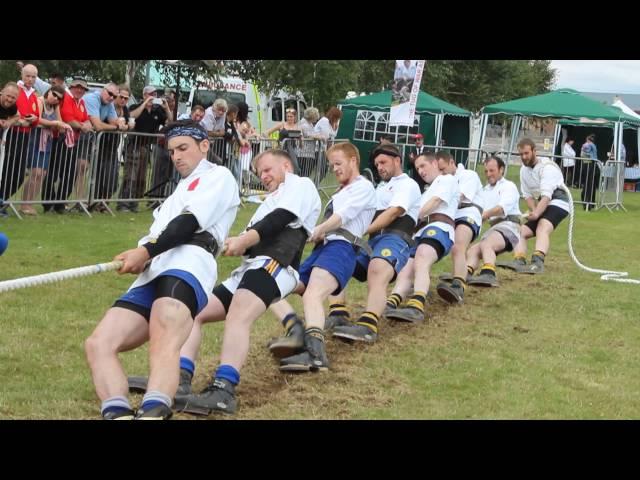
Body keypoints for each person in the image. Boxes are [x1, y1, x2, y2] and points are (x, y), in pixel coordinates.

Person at [85, 120, 240, 420]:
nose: (177, 156)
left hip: (189, 261)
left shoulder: (218, 176)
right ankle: (117, 413)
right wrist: (142, 255)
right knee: (99, 343)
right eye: (171, 151)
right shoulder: (174, 193)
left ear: (204, 146)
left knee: (164, 335)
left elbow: (189, 224)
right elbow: (160, 233)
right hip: (154, 268)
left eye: (183, 148)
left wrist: (145, 251)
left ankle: (154, 412)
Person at [171, 149, 321, 415]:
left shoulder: (300, 185)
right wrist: (236, 245)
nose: (263, 176)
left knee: (239, 314)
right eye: (259, 172)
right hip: (250, 267)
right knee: (195, 312)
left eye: (267, 169)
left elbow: (280, 220)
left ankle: (223, 390)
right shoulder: (270, 199)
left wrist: (242, 241)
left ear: (286, 165)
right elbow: (258, 234)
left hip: (275, 263)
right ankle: (180, 380)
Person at [272, 143, 376, 372]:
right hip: (324, 249)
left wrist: (318, 230)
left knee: (312, 294)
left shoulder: (363, 187)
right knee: (271, 286)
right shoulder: (341, 192)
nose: (335, 169)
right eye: (332, 165)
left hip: (342, 248)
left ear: (353, 161)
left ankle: (315, 354)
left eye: (338, 164)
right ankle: (296, 330)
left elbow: (341, 217)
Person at [329, 144, 421, 343]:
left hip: (395, 238)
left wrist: (359, 232)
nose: (379, 167)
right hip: (370, 240)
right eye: (377, 163)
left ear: (397, 160)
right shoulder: (376, 188)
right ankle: (337, 313)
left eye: (383, 162)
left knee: (378, 268)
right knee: (335, 260)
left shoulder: (408, 185)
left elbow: (393, 212)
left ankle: (368, 326)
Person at [384, 152, 459, 323]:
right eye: (417, 168)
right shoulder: (425, 190)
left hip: (439, 227)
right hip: (420, 232)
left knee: (422, 257)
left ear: (434, 164)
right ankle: (392, 302)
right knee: (406, 268)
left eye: (423, 166)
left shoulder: (447, 180)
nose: (420, 171)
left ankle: (416, 306)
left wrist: (407, 220)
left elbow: (434, 203)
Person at [512, 138, 570, 274]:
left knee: (542, 226)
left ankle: (538, 261)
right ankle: (519, 260)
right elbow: (527, 195)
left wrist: (537, 214)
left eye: (526, 153)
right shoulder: (523, 171)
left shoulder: (547, 167)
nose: (524, 157)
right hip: (543, 204)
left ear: (534, 151)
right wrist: (533, 211)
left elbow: (546, 196)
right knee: (520, 232)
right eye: (521, 154)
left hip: (559, 202)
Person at [434, 151, 484, 304]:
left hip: (468, 213)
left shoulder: (469, 175)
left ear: (451, 162)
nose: (441, 174)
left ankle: (458, 286)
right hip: (450, 216)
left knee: (458, 246)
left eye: (443, 169)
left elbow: (460, 197)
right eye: (439, 171)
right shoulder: (441, 180)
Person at [465, 155, 521, 287]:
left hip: (510, 226)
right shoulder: (484, 190)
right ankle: (465, 273)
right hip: (494, 229)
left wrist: (483, 215)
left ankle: (489, 273)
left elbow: (501, 209)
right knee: (472, 251)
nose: (488, 174)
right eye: (486, 171)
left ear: (501, 170)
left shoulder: (509, 186)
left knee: (486, 244)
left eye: (492, 170)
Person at [43, 78, 93, 214]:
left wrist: (86, 124)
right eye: (77, 87)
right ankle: (48, 204)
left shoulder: (81, 102)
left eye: (82, 89)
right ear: (71, 87)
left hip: (72, 141)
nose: (80, 90)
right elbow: (68, 119)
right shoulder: (65, 98)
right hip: (60, 139)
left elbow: (85, 118)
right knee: (53, 173)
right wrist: (83, 126)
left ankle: (59, 204)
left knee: (70, 174)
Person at [20, 86, 72, 215]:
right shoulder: (40, 101)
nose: (55, 99)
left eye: (59, 98)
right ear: (48, 92)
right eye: (54, 95)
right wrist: (55, 123)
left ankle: (29, 204)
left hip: (47, 141)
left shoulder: (55, 106)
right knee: (35, 173)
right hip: (35, 139)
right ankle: (24, 204)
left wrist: (60, 125)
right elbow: (37, 120)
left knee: (41, 175)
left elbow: (60, 124)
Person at [83, 83, 127, 212]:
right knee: (80, 170)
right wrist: (117, 127)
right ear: (103, 90)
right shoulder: (92, 98)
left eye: (115, 96)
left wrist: (120, 124)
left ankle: (93, 203)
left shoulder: (109, 103)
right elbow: (98, 126)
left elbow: (114, 121)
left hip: (93, 141)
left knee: (106, 177)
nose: (112, 98)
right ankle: (79, 202)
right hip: (80, 137)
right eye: (110, 94)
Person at [0, 82, 21, 217]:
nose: (10, 100)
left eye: (13, 98)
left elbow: (18, 116)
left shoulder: (12, 107)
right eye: (8, 96)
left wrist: (9, 122)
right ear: (1, 92)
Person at [579, 134, 598, 210]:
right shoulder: (591, 145)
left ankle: (587, 203)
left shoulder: (586, 145)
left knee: (588, 185)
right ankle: (589, 203)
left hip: (587, 164)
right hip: (591, 165)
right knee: (590, 185)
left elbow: (582, 155)